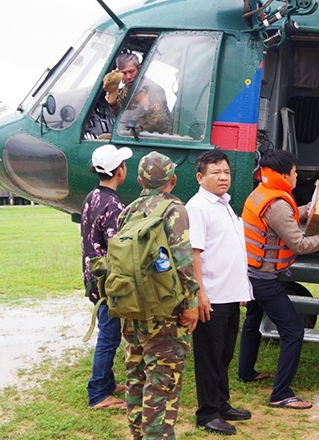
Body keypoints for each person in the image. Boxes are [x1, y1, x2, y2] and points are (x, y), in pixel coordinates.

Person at [238, 149, 319, 409]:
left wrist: (310, 210)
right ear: (285, 174)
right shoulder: (278, 203)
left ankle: (246, 372)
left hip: (253, 272)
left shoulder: (262, 192)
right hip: (265, 278)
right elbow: (299, 244)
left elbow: (288, 216)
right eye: (295, 172)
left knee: (252, 320)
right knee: (293, 331)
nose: (296, 176)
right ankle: (281, 394)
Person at [118, 151, 199, 440]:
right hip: (165, 311)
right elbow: (183, 260)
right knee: (162, 381)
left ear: (140, 180)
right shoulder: (174, 209)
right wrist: (190, 303)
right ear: (173, 180)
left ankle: (138, 435)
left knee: (136, 376)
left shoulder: (128, 211)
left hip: (131, 308)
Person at [186, 150, 253, 436]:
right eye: (216, 172)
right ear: (200, 177)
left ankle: (221, 403)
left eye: (226, 171)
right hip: (211, 296)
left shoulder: (223, 204)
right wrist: (199, 292)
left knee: (223, 354)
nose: (223, 177)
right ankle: (207, 413)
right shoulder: (198, 206)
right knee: (209, 357)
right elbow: (193, 253)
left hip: (230, 294)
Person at [80, 143, 132, 410]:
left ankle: (107, 383)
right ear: (119, 171)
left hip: (93, 275)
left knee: (107, 330)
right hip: (107, 280)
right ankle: (99, 393)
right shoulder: (114, 204)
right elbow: (119, 247)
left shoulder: (92, 197)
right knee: (109, 336)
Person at [103, 53, 172, 133]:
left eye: (131, 71)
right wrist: (113, 104)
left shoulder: (153, 90)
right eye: (124, 73)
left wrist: (146, 106)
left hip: (152, 137)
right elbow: (123, 116)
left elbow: (161, 124)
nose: (128, 77)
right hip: (136, 134)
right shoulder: (127, 89)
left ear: (139, 68)